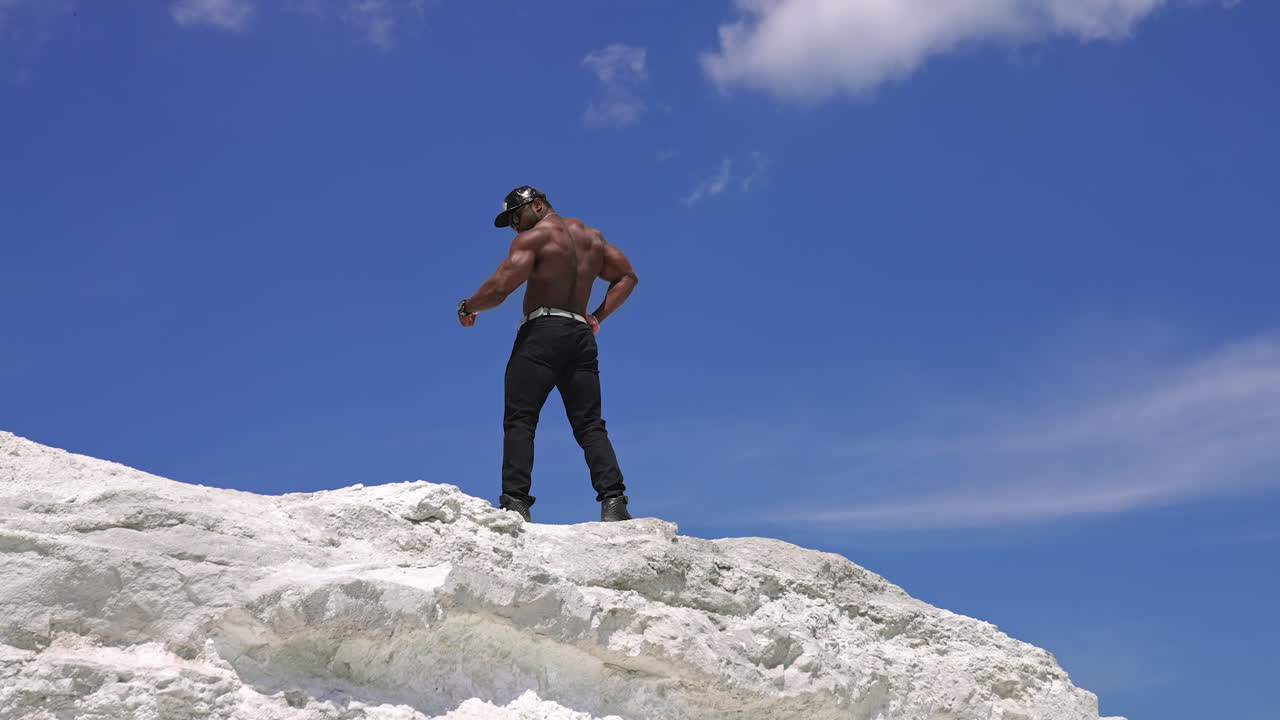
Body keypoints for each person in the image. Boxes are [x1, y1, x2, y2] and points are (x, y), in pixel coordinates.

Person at [457, 186, 639, 523]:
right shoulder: (594, 238)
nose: (514, 226)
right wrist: (596, 316)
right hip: (580, 337)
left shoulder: (535, 238)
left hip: (541, 333)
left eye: (516, 216)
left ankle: (516, 504)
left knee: (520, 419)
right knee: (590, 424)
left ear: (537, 205)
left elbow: (499, 289)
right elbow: (627, 277)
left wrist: (467, 306)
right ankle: (614, 502)